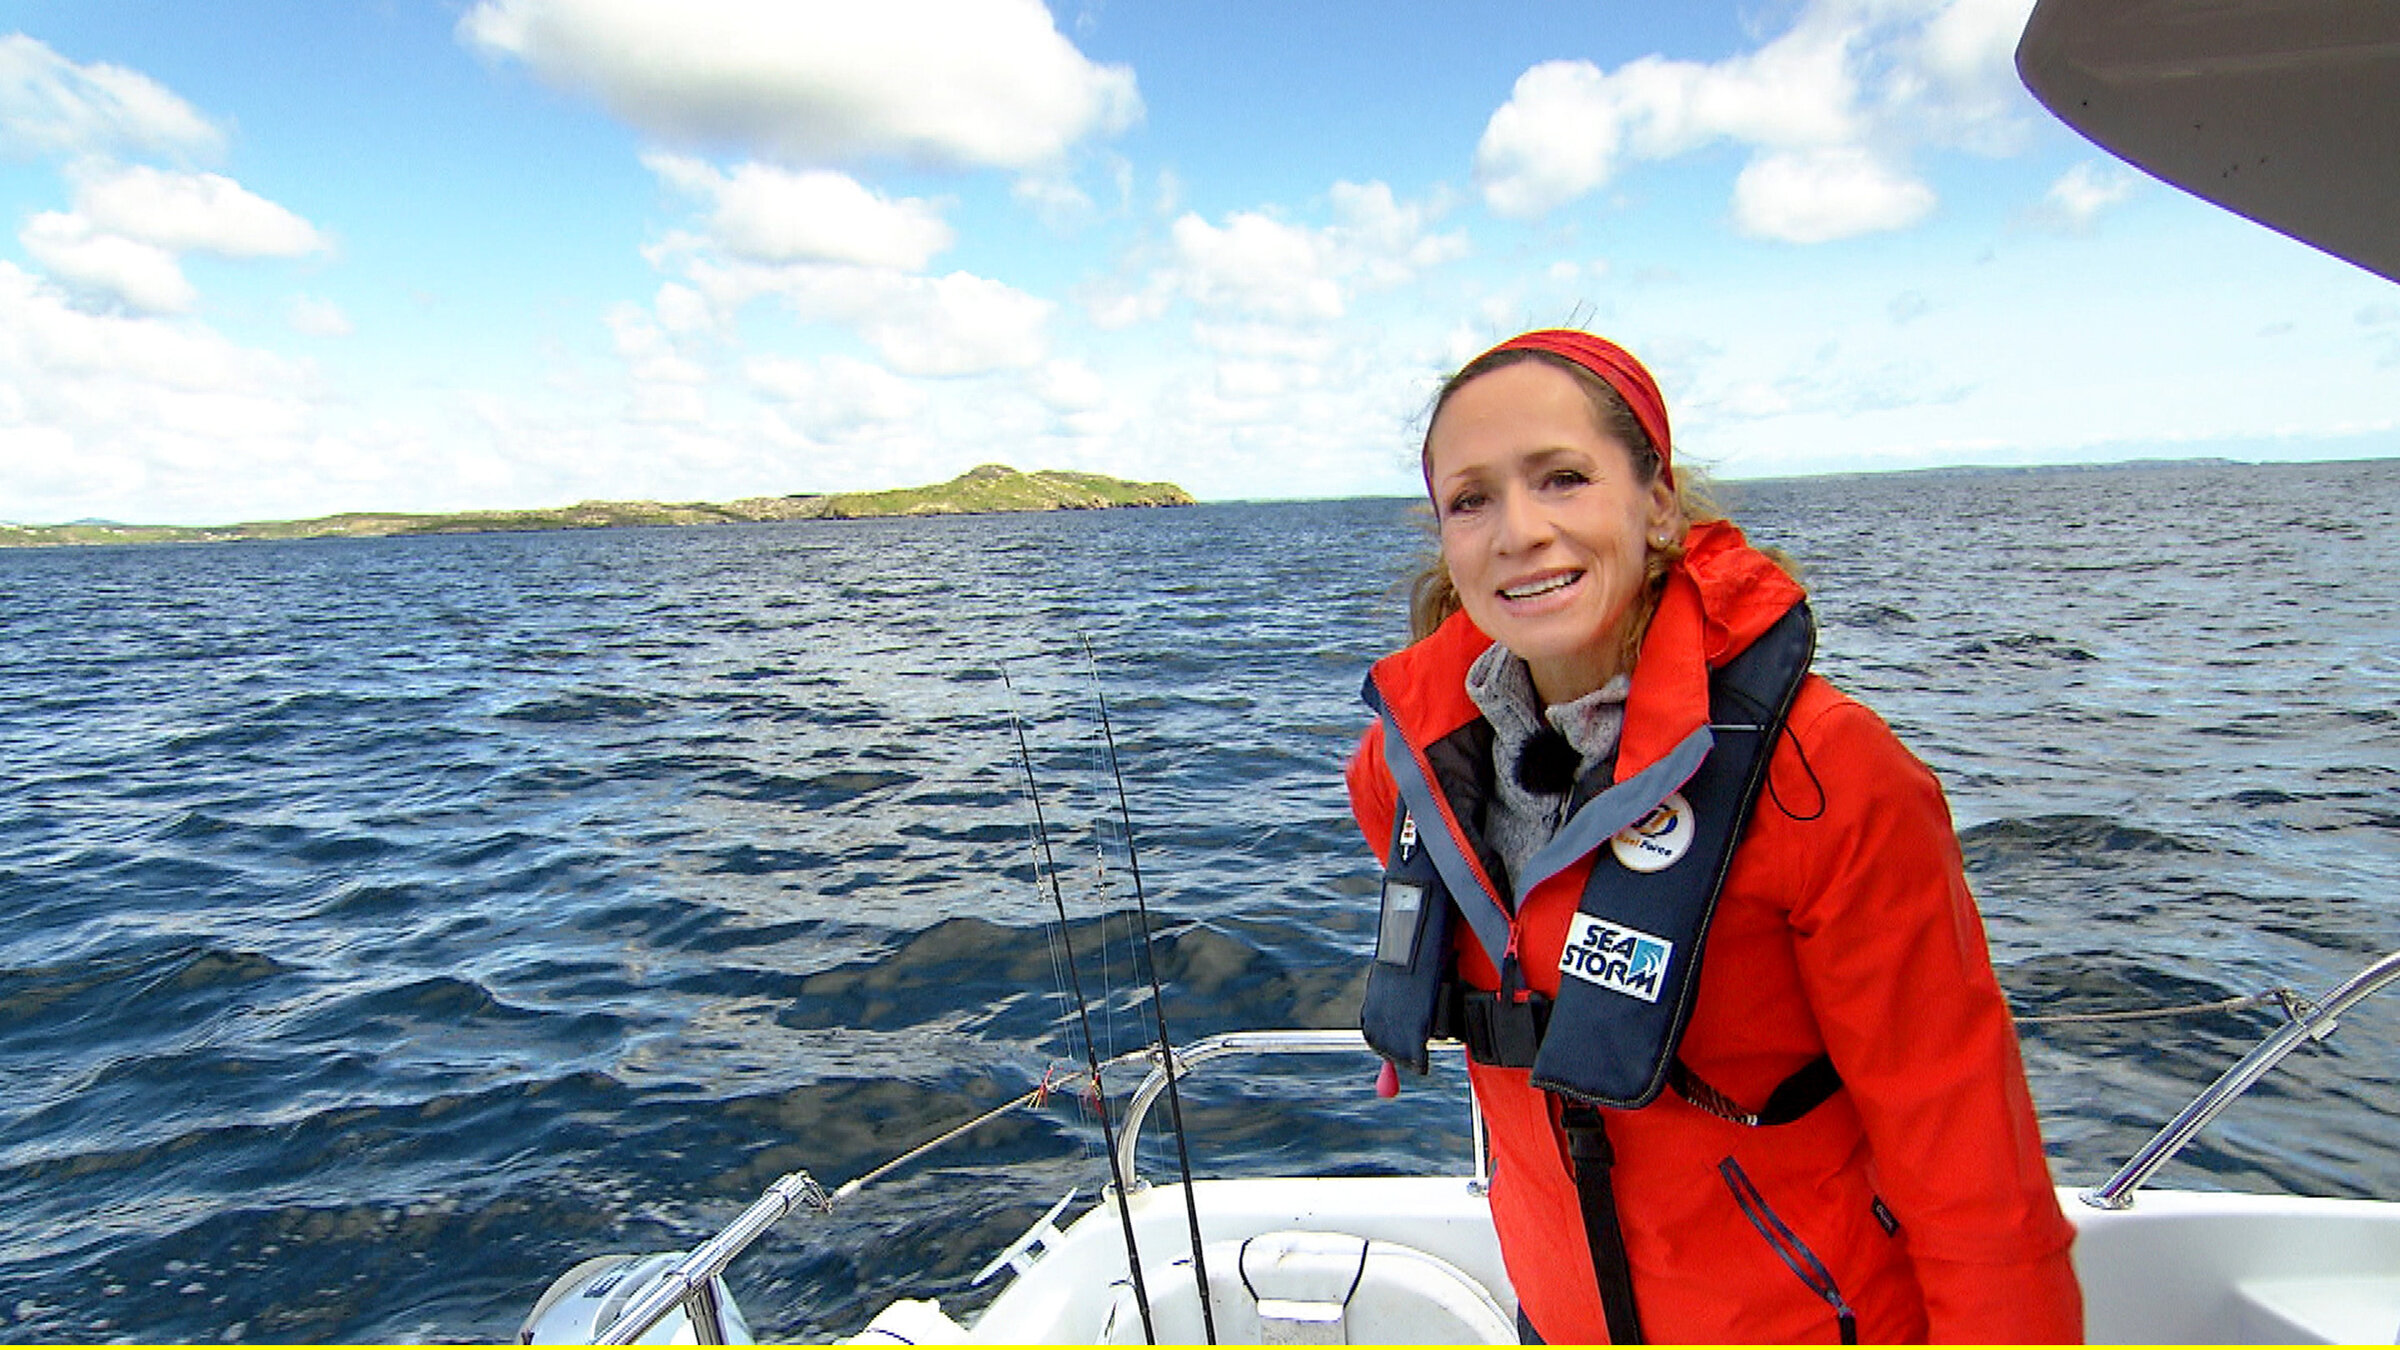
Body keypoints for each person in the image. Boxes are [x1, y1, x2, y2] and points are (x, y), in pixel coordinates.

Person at [1347, 329, 2083, 1343]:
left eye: (1563, 479)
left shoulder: (1831, 772)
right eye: (1472, 500)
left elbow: (1969, 1161)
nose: (1519, 531)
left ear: (1657, 503)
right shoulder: (1405, 772)